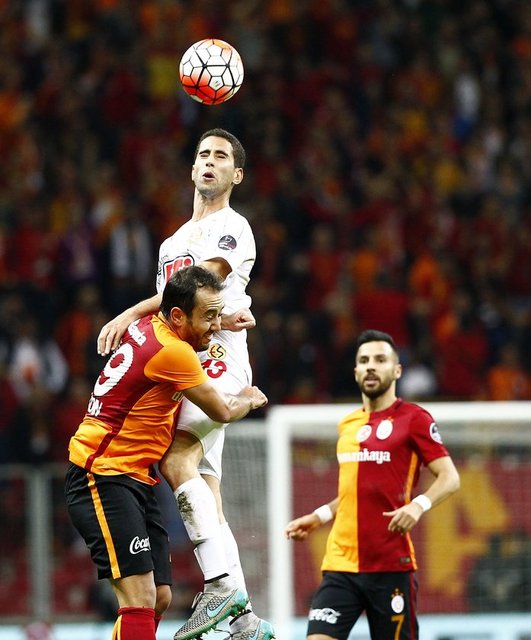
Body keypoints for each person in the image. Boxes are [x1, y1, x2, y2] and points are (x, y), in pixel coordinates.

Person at [96, 129, 275, 640]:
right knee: (206, 486)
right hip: (183, 363)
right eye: (203, 155)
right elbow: (174, 311)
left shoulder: (234, 227)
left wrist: (129, 313)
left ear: (236, 174)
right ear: (193, 168)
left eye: (221, 156)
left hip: (219, 357)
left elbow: (199, 285)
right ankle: (242, 616)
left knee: (176, 458)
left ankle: (219, 586)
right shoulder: (170, 243)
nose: (210, 162)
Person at [65, 266, 268, 640]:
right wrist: (249, 399)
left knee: (159, 596)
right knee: (140, 597)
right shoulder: (173, 353)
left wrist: (221, 319)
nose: (215, 326)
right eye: (209, 316)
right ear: (178, 316)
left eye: (218, 314)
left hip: (135, 476)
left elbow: (162, 309)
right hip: (102, 475)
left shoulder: (149, 327)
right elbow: (223, 411)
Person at [285, 329, 460, 640]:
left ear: (397, 370)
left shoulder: (414, 419)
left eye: (380, 360)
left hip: (390, 566)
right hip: (341, 564)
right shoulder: (348, 425)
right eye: (364, 361)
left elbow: (450, 477)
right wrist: (320, 516)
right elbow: (353, 491)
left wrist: (417, 506)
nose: (371, 366)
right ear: (355, 371)